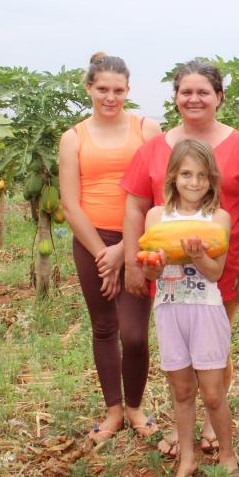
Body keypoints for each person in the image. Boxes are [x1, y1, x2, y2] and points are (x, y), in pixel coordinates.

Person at [121, 60, 239, 457]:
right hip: (167, 270)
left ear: (219, 98)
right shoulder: (152, 149)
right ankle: (190, 429)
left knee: (216, 347)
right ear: (176, 97)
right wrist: (133, 261)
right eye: (186, 92)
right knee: (181, 357)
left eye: (203, 92)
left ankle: (214, 425)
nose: (194, 98)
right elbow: (135, 209)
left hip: (223, 263)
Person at [58, 52, 162, 445]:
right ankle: (114, 411)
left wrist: (124, 250)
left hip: (138, 241)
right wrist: (103, 251)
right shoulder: (73, 138)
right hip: (91, 242)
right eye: (102, 89)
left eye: (118, 90)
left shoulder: (146, 129)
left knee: (134, 334)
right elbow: (70, 203)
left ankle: (135, 407)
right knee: (104, 327)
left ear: (128, 90)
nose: (110, 97)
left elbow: (158, 194)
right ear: (89, 88)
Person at [139, 139, 239, 477]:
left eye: (201, 175)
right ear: (173, 177)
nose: (194, 182)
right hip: (168, 310)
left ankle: (227, 454)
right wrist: (153, 265)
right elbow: (149, 274)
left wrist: (196, 255)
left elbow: (215, 273)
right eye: (185, 174)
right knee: (181, 390)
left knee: (212, 393)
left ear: (212, 179)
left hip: (206, 311)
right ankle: (187, 457)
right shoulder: (155, 216)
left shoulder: (218, 218)